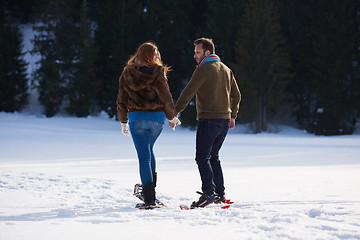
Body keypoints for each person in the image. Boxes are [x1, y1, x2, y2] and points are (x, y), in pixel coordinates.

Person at [172, 38, 241, 208]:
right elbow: (237, 95)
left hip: (209, 120)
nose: (194, 55)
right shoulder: (227, 69)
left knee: (202, 157)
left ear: (207, 53)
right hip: (224, 122)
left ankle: (209, 193)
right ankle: (220, 193)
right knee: (214, 157)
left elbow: (188, 92)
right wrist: (232, 115)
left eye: (197, 52)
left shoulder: (203, 69)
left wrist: (174, 113)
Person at [117, 41, 181, 209]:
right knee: (149, 151)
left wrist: (123, 121)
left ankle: (150, 199)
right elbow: (166, 97)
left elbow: (121, 100)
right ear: (150, 56)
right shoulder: (158, 72)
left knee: (144, 157)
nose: (157, 56)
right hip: (157, 120)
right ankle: (150, 192)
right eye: (155, 53)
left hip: (137, 119)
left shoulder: (126, 73)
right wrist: (172, 116)